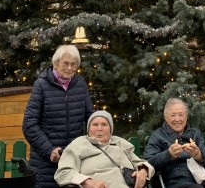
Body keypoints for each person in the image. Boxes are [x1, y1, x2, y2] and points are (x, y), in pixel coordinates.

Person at [23, 45, 94, 187]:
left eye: (73, 64)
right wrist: (50, 150)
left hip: (74, 160)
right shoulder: (41, 85)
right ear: (56, 64)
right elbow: (29, 124)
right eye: (65, 63)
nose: (69, 68)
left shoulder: (80, 84)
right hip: (46, 163)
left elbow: (90, 116)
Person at [54, 110, 153, 188]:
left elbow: (140, 162)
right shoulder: (79, 144)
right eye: (95, 125)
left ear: (111, 129)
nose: (99, 128)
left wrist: (143, 172)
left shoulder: (120, 143)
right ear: (88, 129)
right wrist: (86, 182)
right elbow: (63, 173)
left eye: (104, 124)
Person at [144, 98, 205, 188]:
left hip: (203, 178)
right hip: (176, 181)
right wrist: (168, 155)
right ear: (165, 117)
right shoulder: (158, 136)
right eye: (173, 115)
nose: (177, 119)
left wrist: (199, 155)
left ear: (186, 116)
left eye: (181, 115)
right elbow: (148, 164)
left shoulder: (195, 133)